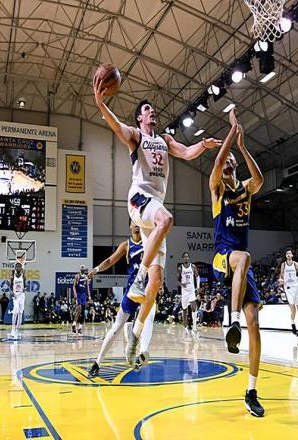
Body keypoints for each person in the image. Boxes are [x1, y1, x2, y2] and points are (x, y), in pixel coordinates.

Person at [93, 76, 221, 366]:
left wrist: (203, 145)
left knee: (157, 283)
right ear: (140, 118)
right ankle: (138, 278)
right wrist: (101, 105)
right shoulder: (136, 137)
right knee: (167, 219)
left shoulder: (165, 140)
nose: (153, 112)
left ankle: (135, 337)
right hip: (139, 199)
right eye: (147, 109)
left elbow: (186, 153)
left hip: (155, 208)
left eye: (153, 110)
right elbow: (116, 126)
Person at [209, 111, 265, 417]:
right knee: (243, 257)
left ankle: (251, 391)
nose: (228, 159)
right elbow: (218, 161)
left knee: (254, 323)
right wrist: (232, 131)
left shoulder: (245, 188)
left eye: (232, 158)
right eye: (227, 156)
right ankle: (231, 322)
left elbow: (260, 180)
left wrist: (242, 147)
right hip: (223, 256)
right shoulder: (217, 189)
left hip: (242, 265)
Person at [88, 220, 156, 377]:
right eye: (134, 222)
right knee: (116, 326)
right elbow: (110, 261)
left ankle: (143, 352)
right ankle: (97, 362)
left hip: (147, 289)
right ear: (130, 226)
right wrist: (96, 269)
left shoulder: (150, 241)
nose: (137, 224)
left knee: (150, 315)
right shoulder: (126, 245)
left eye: (139, 221)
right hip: (132, 290)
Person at [279, 249, 298, 340]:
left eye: (290, 253)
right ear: (286, 256)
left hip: (296, 288)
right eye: (287, 253)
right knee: (293, 310)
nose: (288, 254)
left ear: (292, 255)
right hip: (288, 289)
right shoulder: (283, 264)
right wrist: (280, 280)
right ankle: (292, 323)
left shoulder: (295, 264)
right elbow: (281, 275)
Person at [178, 252, 200, 338]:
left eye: (187, 257)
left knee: (194, 307)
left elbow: (197, 277)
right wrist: (181, 284)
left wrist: (198, 287)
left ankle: (194, 327)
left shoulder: (193, 266)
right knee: (184, 310)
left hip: (191, 290)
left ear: (189, 258)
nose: (186, 258)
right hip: (184, 291)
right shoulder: (180, 268)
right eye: (185, 257)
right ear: (183, 258)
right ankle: (185, 328)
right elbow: (177, 279)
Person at [9, 259, 26, 339]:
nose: (18, 267)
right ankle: (12, 329)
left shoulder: (23, 275)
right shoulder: (13, 275)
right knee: (15, 312)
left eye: (19, 266)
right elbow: (10, 286)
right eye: (17, 266)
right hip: (16, 296)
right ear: (15, 268)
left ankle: (17, 330)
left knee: (20, 313)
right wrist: (13, 293)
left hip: (22, 295)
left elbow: (25, 286)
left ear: (21, 268)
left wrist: (25, 288)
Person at [72, 265, 90, 333]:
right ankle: (74, 323)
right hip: (78, 294)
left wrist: (89, 296)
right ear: (80, 269)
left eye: (83, 267)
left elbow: (87, 287)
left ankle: (80, 327)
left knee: (83, 311)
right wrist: (75, 295)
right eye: (81, 267)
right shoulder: (77, 276)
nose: (82, 268)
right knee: (79, 309)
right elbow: (74, 286)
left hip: (84, 295)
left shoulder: (86, 277)